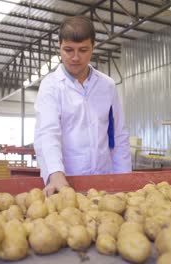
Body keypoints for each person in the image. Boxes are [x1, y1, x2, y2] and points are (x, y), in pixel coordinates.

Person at [34, 15, 132, 196]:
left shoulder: (107, 85)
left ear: (93, 47)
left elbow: (118, 135)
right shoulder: (51, 86)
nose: (75, 57)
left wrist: (124, 179)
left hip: (103, 180)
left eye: (83, 50)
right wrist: (55, 174)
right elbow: (48, 133)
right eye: (68, 50)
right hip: (66, 182)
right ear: (59, 47)